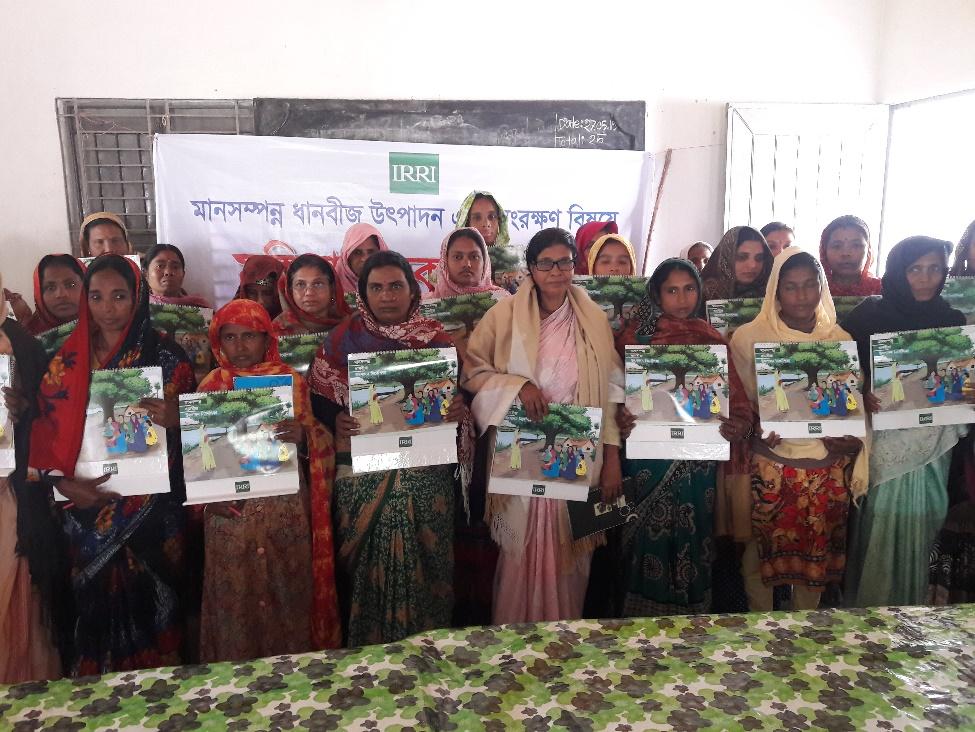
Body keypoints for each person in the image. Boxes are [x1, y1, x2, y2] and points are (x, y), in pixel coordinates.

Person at [28, 255, 197, 674]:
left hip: (154, 514)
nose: (107, 307)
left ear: (137, 297)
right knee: (92, 616)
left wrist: (181, 416)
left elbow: (197, 443)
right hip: (85, 509)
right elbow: (44, 437)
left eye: (119, 296)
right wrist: (64, 488)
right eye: (96, 296)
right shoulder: (63, 362)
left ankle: (164, 702)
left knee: (158, 613)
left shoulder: (169, 357)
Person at [462, 227, 624, 623]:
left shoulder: (593, 318)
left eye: (565, 262)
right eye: (546, 263)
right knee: (520, 553)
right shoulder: (503, 315)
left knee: (574, 556)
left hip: (579, 455)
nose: (557, 271)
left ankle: (566, 642)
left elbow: (611, 389)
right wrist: (517, 386)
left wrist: (614, 458)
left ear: (575, 264)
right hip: (522, 457)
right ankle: (514, 642)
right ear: (531, 268)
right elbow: (473, 372)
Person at [308, 251, 465, 646]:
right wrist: (335, 419)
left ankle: (428, 643)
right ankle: (369, 646)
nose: (387, 296)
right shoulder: (343, 338)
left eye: (396, 286)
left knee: (412, 496)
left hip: (424, 459)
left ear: (412, 290)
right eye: (376, 288)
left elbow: (453, 402)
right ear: (363, 294)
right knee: (386, 502)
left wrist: (459, 407)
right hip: (364, 459)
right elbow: (320, 397)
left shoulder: (435, 339)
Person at [197, 299, 340, 660]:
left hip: (284, 512)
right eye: (229, 337)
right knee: (236, 600)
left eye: (249, 336)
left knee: (287, 594)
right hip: (231, 516)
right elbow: (198, 456)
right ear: (218, 341)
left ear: (267, 339)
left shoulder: (290, 382)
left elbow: (319, 439)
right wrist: (204, 500)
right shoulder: (211, 386)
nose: (240, 346)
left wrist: (305, 437)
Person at [612, 258, 754, 615]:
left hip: (697, 461)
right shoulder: (634, 339)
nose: (682, 298)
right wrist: (622, 415)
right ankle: (639, 619)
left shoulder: (709, 338)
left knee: (695, 532)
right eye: (671, 290)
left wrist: (738, 423)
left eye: (689, 289)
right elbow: (613, 393)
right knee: (644, 536)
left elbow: (737, 402)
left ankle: (691, 621)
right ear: (657, 294)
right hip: (647, 458)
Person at [730, 249, 867, 611]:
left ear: (822, 288)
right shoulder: (748, 338)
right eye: (790, 287)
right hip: (770, 462)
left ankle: (803, 632)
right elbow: (740, 402)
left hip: (825, 464)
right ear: (775, 291)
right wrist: (757, 425)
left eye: (810, 285)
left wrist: (850, 435)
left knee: (816, 554)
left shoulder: (838, 338)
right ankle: (759, 631)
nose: (802, 296)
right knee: (759, 553)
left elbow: (851, 403)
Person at [843, 236, 965, 606]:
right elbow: (844, 373)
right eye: (916, 269)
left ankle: (910, 610)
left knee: (925, 515)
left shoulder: (952, 321)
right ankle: (868, 605)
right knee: (880, 516)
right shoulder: (867, 316)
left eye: (935, 269)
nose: (926, 278)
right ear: (899, 271)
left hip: (934, 441)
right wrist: (859, 394)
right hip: (883, 441)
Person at [0, 278, 64, 683]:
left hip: (11, 494)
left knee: (16, 589)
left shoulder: (20, 344)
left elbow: (47, 415)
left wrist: (23, 410)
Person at [4, 255, 86, 336]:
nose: (61, 294)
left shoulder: (98, 328)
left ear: (87, 286)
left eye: (71, 285)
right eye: (50, 288)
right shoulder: (27, 340)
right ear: (39, 294)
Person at [272, 253, 350, 336]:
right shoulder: (278, 330)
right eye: (300, 284)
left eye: (318, 284)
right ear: (290, 291)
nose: (309, 293)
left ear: (332, 289)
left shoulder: (351, 325)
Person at [425, 228, 510, 299]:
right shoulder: (425, 308)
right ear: (445, 262)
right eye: (457, 257)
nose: (466, 264)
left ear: (485, 262)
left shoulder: (503, 301)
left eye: (474, 257)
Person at [700, 226, 773, 302]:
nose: (753, 265)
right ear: (726, 257)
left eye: (759, 258)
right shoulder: (700, 295)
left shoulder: (773, 293)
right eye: (742, 257)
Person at [819, 215, 881, 296]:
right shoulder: (813, 290)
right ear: (824, 251)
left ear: (868, 251)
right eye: (837, 246)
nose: (846, 253)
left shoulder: (883, 290)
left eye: (856, 245)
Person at [143, 244, 211, 307]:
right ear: (146, 274)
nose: (168, 272)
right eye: (160, 266)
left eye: (175, 267)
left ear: (183, 275)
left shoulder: (201, 308)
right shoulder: (137, 309)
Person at [334, 223, 390, 296]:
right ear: (347, 256)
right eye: (357, 252)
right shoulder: (332, 286)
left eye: (371, 252)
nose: (365, 259)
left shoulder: (395, 282)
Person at [235, 255, 285, 319]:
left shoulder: (293, 325)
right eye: (252, 292)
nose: (260, 301)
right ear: (244, 292)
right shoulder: (232, 321)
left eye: (267, 293)